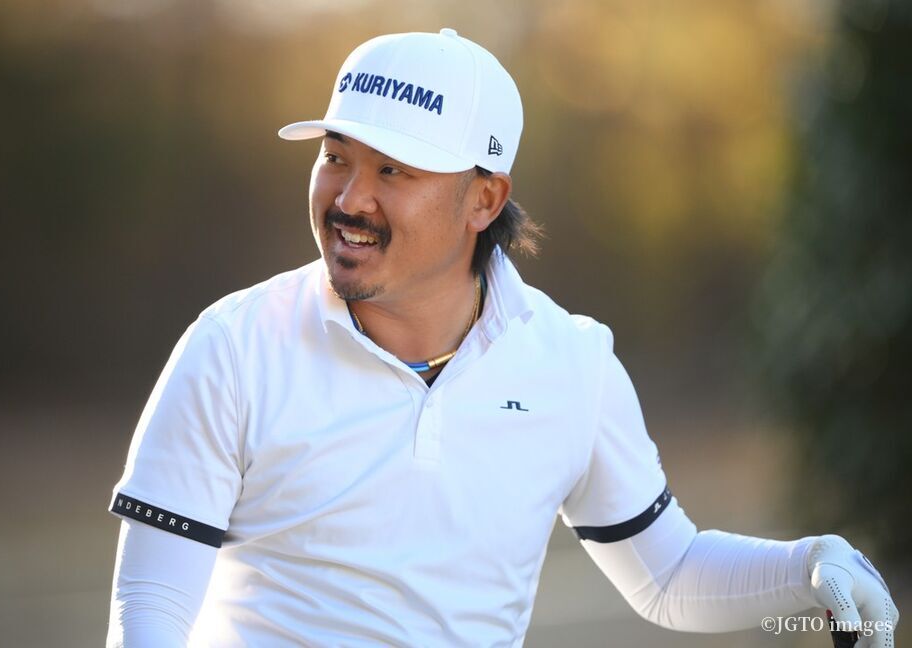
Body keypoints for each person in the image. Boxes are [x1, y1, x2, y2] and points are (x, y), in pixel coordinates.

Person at [106, 28, 899, 647]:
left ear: (484, 200)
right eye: (335, 157)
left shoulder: (573, 362)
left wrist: (807, 566)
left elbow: (668, 575)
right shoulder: (233, 347)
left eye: (393, 171)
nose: (348, 198)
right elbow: (149, 611)